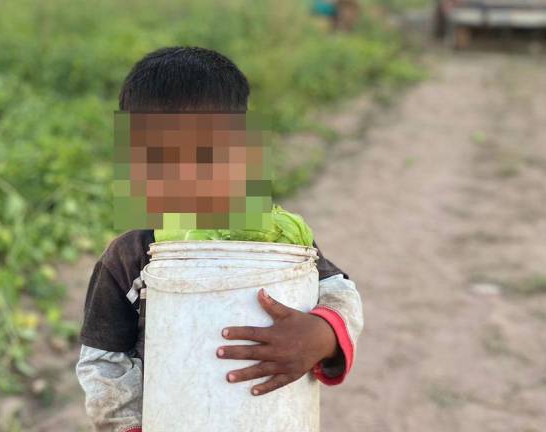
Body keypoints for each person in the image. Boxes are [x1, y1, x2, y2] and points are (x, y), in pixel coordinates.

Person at [75, 46, 364, 432]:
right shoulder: (128, 259)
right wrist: (131, 425)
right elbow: (102, 362)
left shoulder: (274, 243)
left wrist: (323, 334)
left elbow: (338, 290)